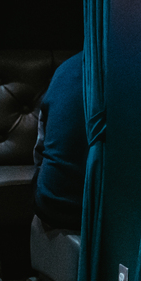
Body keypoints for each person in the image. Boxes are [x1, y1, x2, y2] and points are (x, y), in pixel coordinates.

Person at [32, 52, 88, 231]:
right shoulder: (140, 71)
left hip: (51, 201)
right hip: (101, 209)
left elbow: (40, 149)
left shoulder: (66, 68)